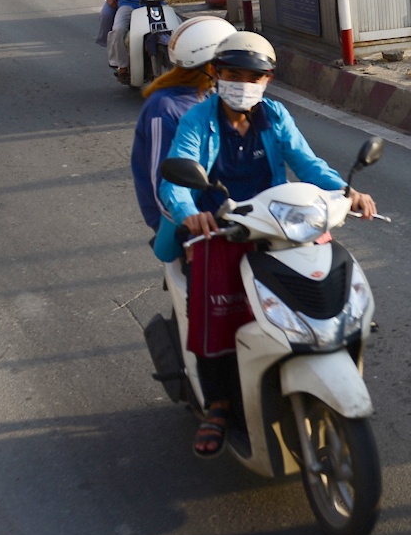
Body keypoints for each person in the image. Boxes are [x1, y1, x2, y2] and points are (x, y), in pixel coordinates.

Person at [154, 31, 377, 457]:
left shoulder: (274, 115)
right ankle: (218, 403)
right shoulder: (197, 121)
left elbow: (306, 162)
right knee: (216, 304)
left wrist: (346, 192)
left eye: (252, 76)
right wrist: (190, 214)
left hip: (277, 224)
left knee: (326, 269)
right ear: (216, 75)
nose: (242, 83)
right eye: (232, 74)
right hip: (221, 227)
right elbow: (175, 182)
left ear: (267, 80)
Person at [130, 15, 236, 232]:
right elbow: (162, 180)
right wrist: (185, 223)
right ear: (211, 66)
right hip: (185, 223)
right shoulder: (165, 108)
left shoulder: (209, 95)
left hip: (223, 210)